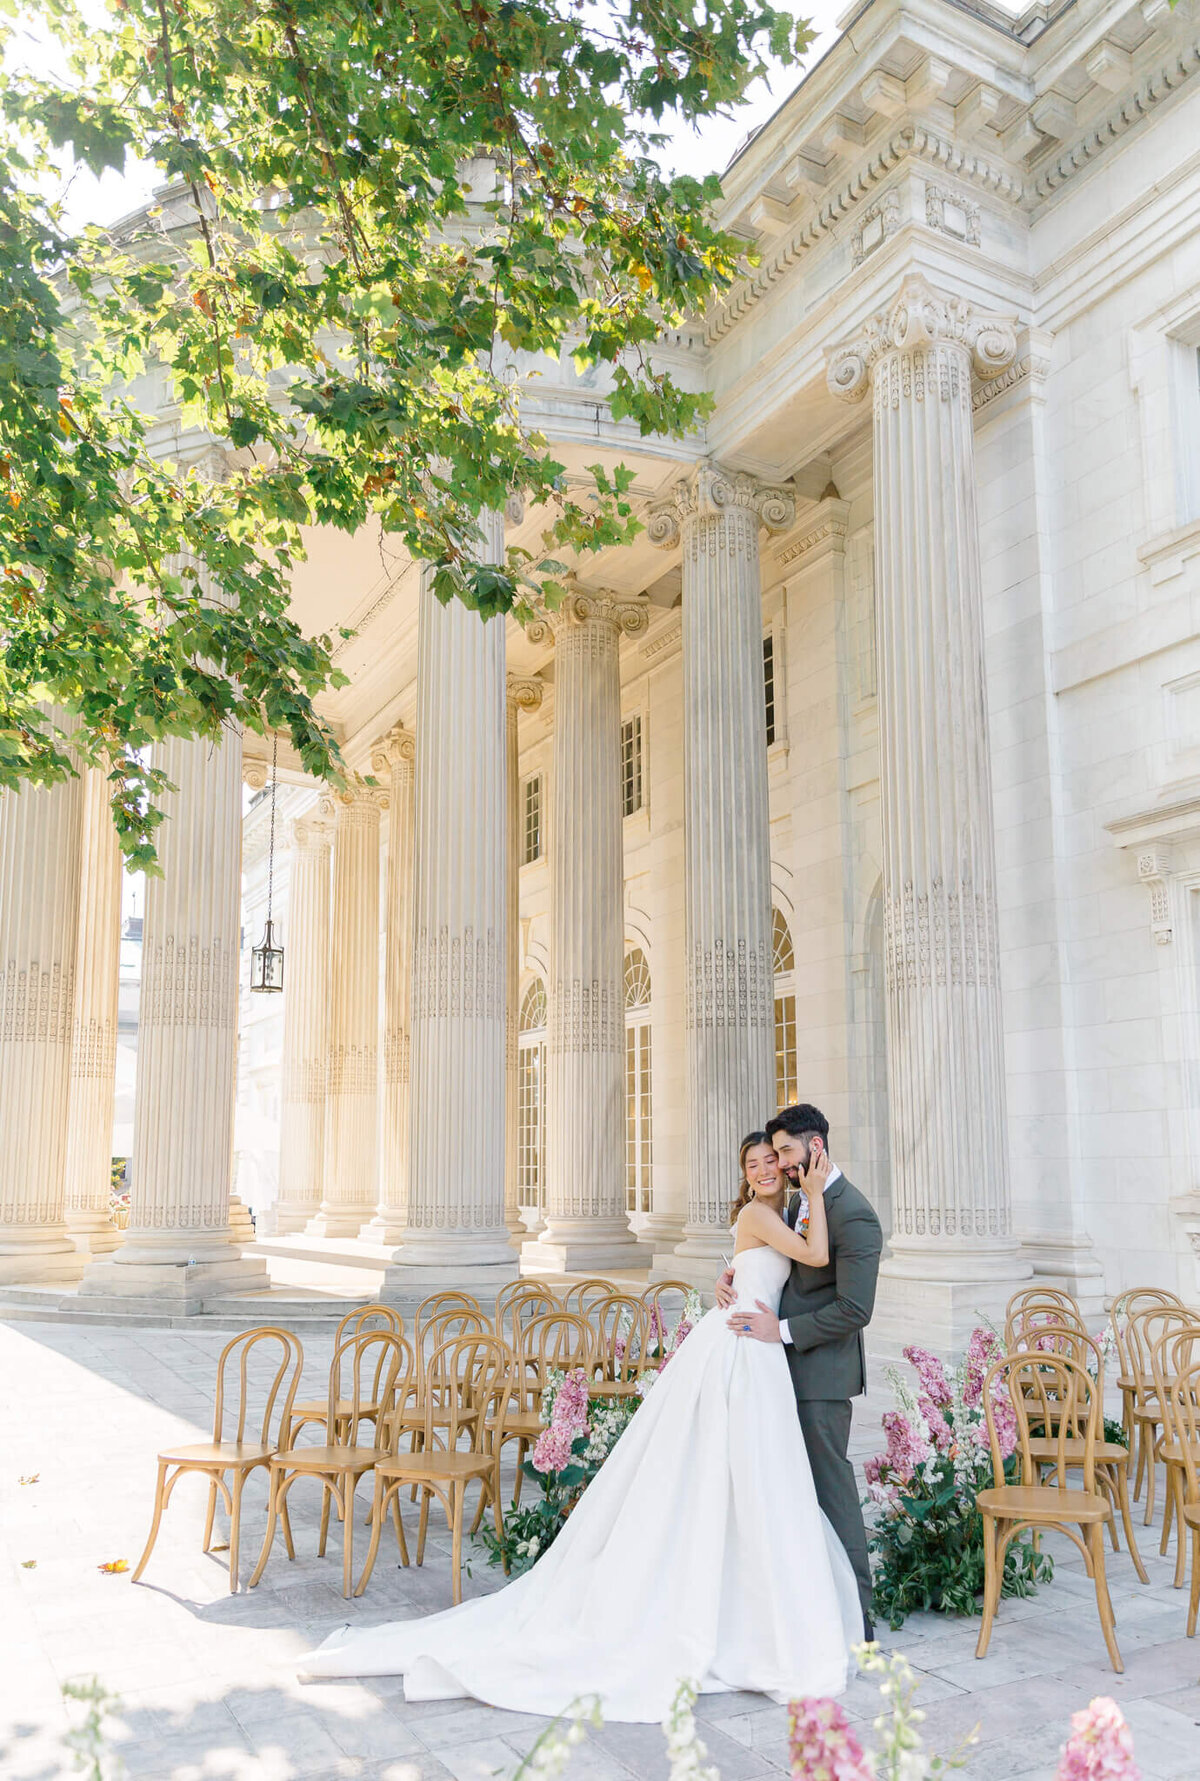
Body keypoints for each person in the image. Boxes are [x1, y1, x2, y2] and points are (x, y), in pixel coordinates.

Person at [299, 1132, 862, 1721]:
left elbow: (763, 1265)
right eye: (754, 1164)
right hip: (743, 1350)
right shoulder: (763, 1212)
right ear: (745, 1177)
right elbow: (817, 1256)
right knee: (732, 1467)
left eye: (772, 1160)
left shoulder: (775, 1213)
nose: (765, 1169)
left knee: (754, 1476)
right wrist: (818, 1190)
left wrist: (732, 1268)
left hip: (755, 1348)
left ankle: (744, 1606)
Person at [717, 1103, 882, 1638]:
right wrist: (732, 1275)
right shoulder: (793, 1204)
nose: (779, 1165)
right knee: (786, 1490)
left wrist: (780, 1332)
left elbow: (855, 1310)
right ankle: (802, 1606)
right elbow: (771, 1258)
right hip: (774, 1366)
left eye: (785, 1152)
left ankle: (859, 1618)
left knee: (831, 1491)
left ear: (815, 1147)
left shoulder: (852, 1212)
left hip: (820, 1374)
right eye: (769, 1156)